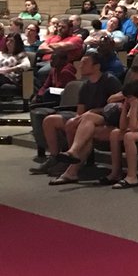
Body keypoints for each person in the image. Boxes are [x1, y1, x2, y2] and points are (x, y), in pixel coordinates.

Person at [35, 52, 123, 183]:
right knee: (51, 120)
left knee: (83, 121)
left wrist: (92, 112)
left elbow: (117, 106)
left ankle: (73, 159)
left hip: (105, 118)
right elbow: (80, 111)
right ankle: (57, 158)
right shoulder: (85, 85)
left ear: (96, 66)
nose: (80, 66)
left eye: (85, 63)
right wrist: (78, 118)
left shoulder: (110, 80)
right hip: (87, 118)